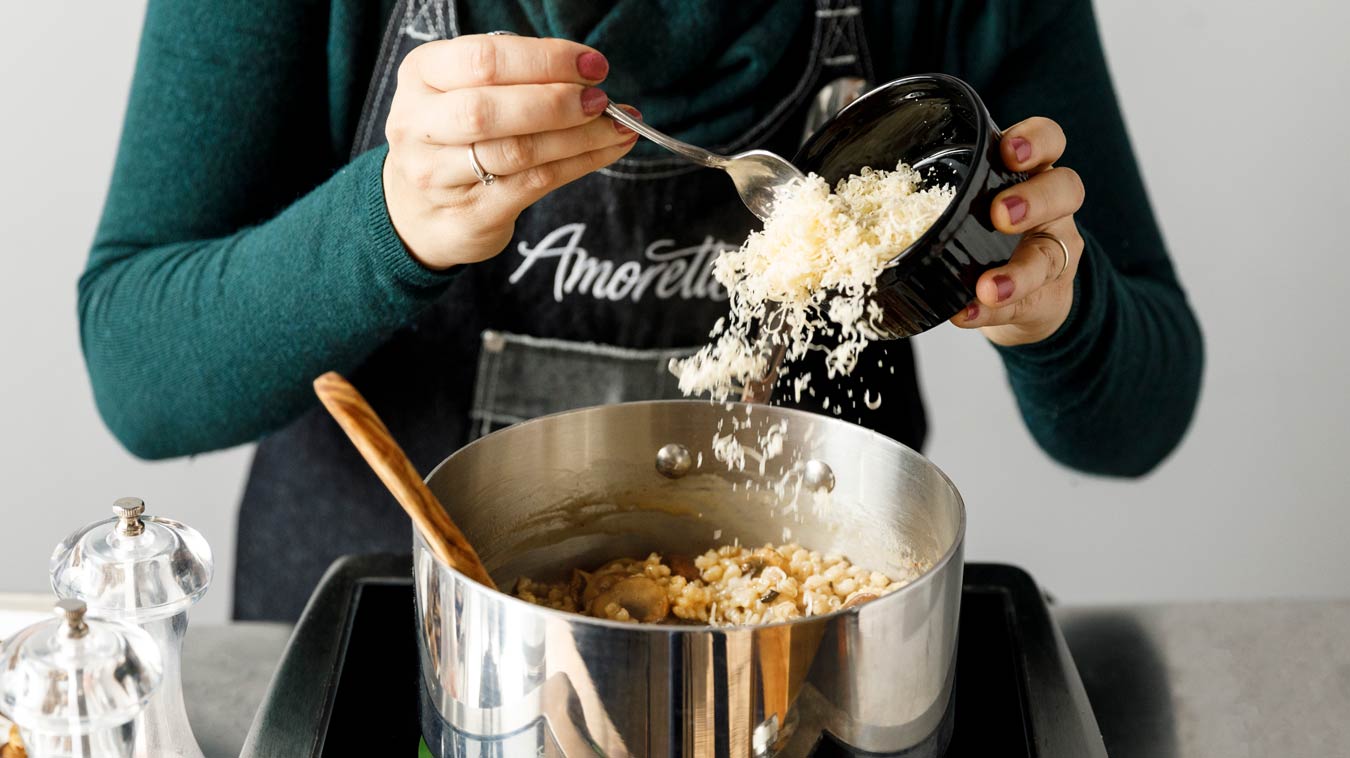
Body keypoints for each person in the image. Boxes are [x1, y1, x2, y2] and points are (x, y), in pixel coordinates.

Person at [79, 0, 1203, 622]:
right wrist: (386, 221)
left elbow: (1137, 419)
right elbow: (136, 367)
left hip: (807, 651)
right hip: (385, 640)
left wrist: (1054, 302)